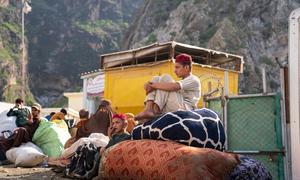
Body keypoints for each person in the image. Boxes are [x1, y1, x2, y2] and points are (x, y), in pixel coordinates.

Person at [135, 53, 201, 120]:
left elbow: (174, 87)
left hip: (186, 109)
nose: (175, 71)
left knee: (166, 78)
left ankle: (155, 110)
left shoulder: (194, 79)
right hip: (176, 105)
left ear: (186, 67)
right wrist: (151, 84)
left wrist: (152, 85)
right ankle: (148, 109)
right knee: (156, 78)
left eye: (177, 67)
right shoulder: (183, 81)